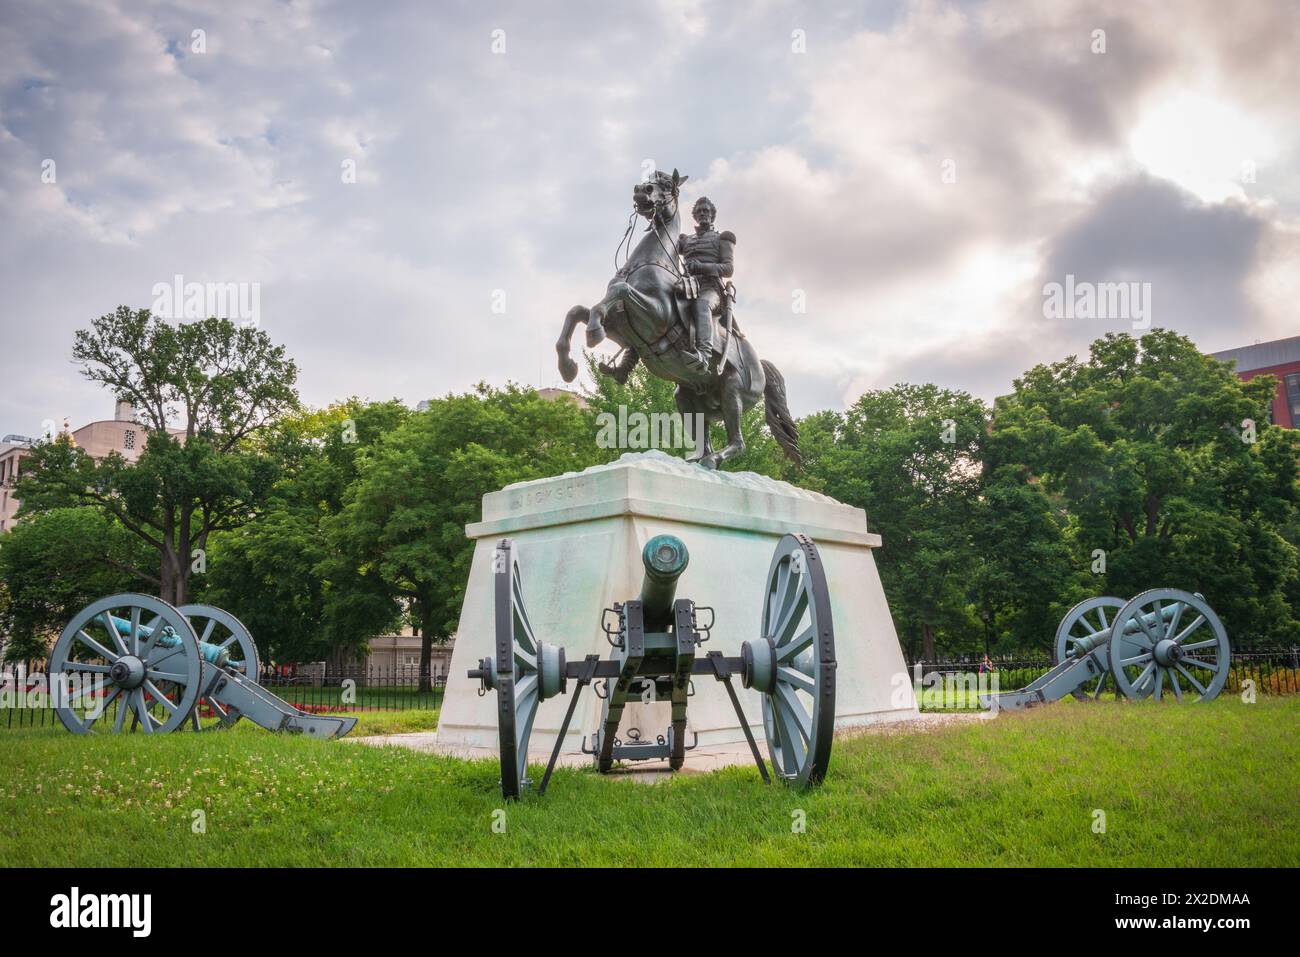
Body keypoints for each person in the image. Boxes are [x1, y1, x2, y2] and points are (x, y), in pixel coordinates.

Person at [676, 197, 735, 372]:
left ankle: (704, 354)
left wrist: (702, 267)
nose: (703, 213)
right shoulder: (686, 240)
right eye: (699, 211)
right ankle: (628, 363)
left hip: (711, 289)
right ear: (694, 216)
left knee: (702, 304)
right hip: (686, 287)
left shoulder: (722, 238)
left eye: (706, 211)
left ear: (712, 215)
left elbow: (728, 268)